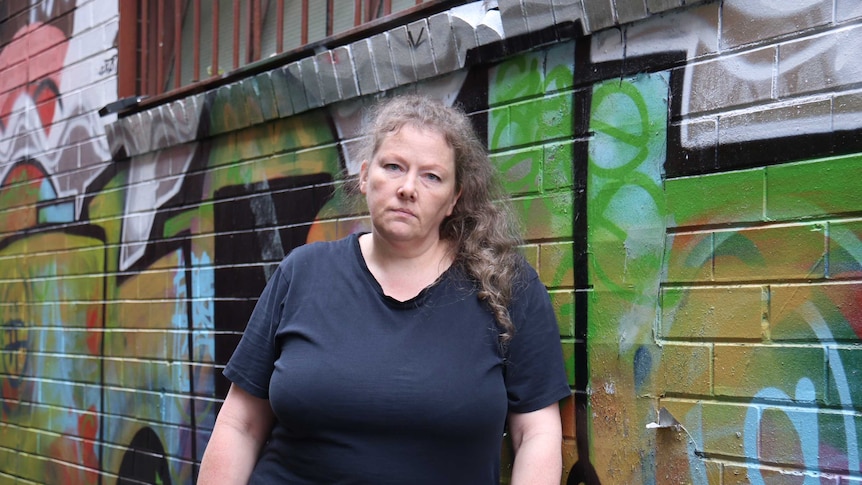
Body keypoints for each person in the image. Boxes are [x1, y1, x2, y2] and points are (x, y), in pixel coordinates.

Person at [197, 94, 570, 484]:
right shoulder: (303, 272)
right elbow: (240, 425)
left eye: (432, 176)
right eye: (393, 166)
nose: (408, 188)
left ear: (453, 199)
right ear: (363, 176)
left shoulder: (507, 285)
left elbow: (537, 434)